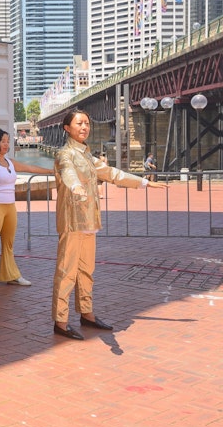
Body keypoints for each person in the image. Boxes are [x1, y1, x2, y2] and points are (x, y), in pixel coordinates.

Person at [53, 109, 167, 340]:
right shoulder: (65, 154)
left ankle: (87, 313)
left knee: (87, 271)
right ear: (67, 128)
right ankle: (61, 321)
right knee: (67, 272)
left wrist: (144, 182)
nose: (84, 127)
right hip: (73, 221)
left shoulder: (86, 155)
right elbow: (68, 173)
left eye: (87, 123)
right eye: (79, 123)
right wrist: (75, 186)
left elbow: (112, 173)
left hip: (89, 221)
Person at [0, 127, 53, 292]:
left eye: (8, 141)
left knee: (9, 243)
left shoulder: (10, 162)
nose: (7, 144)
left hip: (10, 206)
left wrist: (51, 171)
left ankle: (11, 275)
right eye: (3, 141)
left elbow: (30, 168)